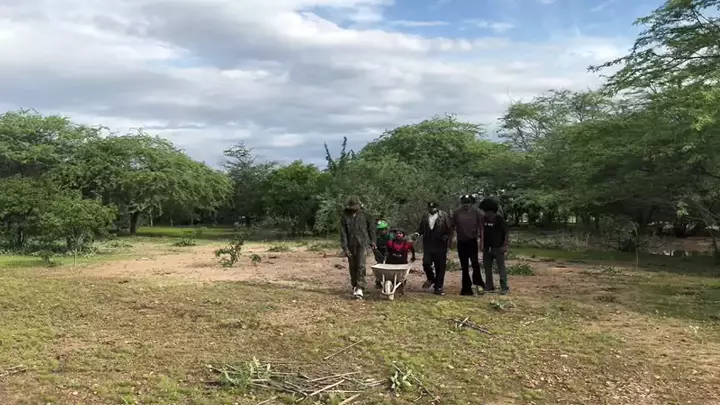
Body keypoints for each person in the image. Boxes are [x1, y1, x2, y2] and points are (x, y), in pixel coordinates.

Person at [413, 202, 453, 296]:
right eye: (430, 208)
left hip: (440, 245)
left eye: (434, 208)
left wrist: (447, 237)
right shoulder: (425, 217)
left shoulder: (444, 216)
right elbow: (421, 229)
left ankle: (438, 287)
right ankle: (431, 278)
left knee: (440, 267)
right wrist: (417, 234)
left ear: (437, 208)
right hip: (428, 244)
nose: (432, 209)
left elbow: (450, 229)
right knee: (426, 263)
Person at [340, 196, 376, 299]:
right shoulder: (345, 216)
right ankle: (355, 285)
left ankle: (360, 287)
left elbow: (371, 228)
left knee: (361, 265)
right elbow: (343, 233)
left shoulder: (365, 214)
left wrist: (373, 241)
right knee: (353, 266)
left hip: (363, 243)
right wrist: (345, 247)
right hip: (350, 244)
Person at [452, 194, 486, 296]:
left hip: (472, 241)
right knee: (464, 265)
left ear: (471, 203)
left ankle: (478, 283)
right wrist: (452, 238)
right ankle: (466, 288)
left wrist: (482, 241)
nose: (466, 204)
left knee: (475, 263)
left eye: (468, 202)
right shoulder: (457, 213)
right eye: (464, 203)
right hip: (461, 242)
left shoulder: (477, 212)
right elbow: (452, 226)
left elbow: (481, 227)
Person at [479, 198, 510, 295]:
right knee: (487, 268)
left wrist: (505, 245)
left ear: (491, 211)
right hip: (487, 248)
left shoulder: (499, 219)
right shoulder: (483, 219)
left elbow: (506, 233)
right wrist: (481, 243)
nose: (485, 213)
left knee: (501, 268)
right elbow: (482, 231)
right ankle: (489, 285)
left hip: (498, 247)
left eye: (486, 211)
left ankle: (504, 287)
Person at [374, 220, 395, 288]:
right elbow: (377, 247)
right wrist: (377, 254)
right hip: (381, 253)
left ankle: (392, 280)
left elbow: (391, 246)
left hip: (390, 253)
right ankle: (379, 281)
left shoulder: (390, 236)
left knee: (390, 267)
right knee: (379, 267)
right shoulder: (378, 238)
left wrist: (388, 253)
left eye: (382, 230)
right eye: (380, 230)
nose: (381, 231)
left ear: (386, 229)